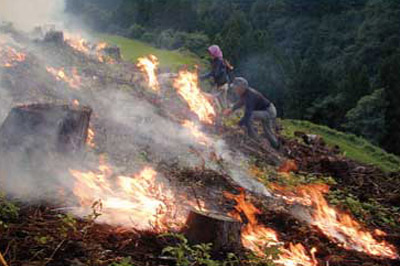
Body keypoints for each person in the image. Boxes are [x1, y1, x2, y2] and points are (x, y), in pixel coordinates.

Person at [223, 77, 280, 149]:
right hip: (266, 110)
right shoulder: (245, 93)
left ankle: (254, 138)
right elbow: (240, 102)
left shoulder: (250, 95)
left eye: (236, 87)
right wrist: (231, 109)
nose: (235, 90)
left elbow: (248, 114)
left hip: (269, 111)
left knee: (249, 116)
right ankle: (276, 145)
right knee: (267, 131)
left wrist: (239, 124)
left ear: (241, 87)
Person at [200, 45, 231, 110]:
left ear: (215, 53)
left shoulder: (218, 61)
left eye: (211, 53)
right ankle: (224, 113)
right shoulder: (218, 60)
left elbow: (214, 73)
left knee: (215, 99)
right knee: (220, 100)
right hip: (221, 84)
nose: (210, 55)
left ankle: (222, 114)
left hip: (222, 85)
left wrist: (202, 77)